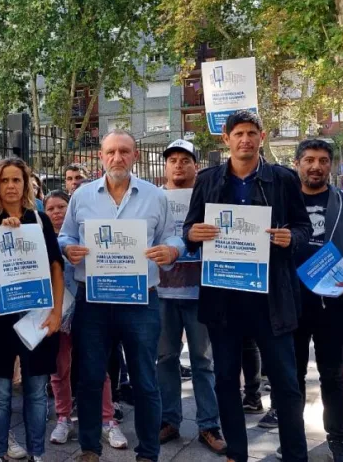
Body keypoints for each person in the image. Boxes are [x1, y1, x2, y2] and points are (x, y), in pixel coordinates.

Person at [183, 110, 311, 462]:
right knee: (226, 380)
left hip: (271, 298)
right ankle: (236, 452)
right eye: (238, 133)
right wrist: (193, 234)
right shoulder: (208, 179)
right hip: (224, 297)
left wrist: (291, 237)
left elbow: (303, 227)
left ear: (261, 137)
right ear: (226, 138)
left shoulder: (283, 179)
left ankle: (295, 454)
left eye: (251, 133)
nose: (245, 139)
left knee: (285, 383)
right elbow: (190, 228)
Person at [59, 129, 185, 462]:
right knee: (89, 378)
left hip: (140, 301)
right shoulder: (82, 196)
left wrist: (172, 251)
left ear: (135, 156)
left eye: (124, 151)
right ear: (101, 157)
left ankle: (148, 453)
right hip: (93, 301)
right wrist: (68, 249)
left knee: (145, 380)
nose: (117, 157)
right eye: (111, 152)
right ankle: (89, 449)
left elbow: (173, 237)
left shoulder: (155, 197)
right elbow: (65, 236)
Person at [0, 158, 65, 462]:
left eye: (17, 180)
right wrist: (2, 237)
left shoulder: (40, 220)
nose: (11, 186)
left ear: (25, 185)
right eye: (5, 180)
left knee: (36, 391)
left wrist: (57, 313)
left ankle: (37, 453)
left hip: (36, 317)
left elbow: (56, 267)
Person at [282, 139, 343, 461]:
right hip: (290, 302)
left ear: (330, 165)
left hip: (334, 303)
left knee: (332, 374)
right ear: (297, 164)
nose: (316, 166)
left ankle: (336, 438)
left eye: (322, 160)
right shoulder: (282, 202)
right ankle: (293, 440)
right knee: (292, 376)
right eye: (309, 160)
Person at [155, 139, 227, 455]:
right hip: (162, 291)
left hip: (200, 291)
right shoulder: (153, 198)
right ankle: (169, 420)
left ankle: (208, 425)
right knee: (165, 358)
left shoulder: (210, 197)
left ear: (196, 166)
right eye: (173, 160)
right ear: (165, 166)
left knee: (203, 360)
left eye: (185, 160)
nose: (179, 165)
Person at [44, 190, 123, 448]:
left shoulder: (87, 235)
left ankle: (108, 420)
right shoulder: (41, 240)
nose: (56, 212)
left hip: (88, 308)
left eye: (61, 207)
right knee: (60, 368)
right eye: (51, 208)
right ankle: (63, 417)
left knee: (97, 366)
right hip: (57, 312)